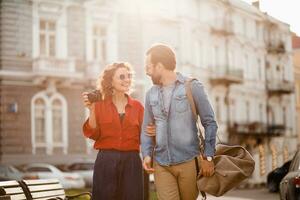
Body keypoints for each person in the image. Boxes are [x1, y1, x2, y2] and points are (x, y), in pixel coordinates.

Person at [141, 44, 218, 200]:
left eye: (149, 67)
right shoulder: (151, 94)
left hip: (189, 161)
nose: (146, 71)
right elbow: (146, 129)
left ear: (160, 66)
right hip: (161, 163)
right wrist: (147, 154)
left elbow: (210, 122)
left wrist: (208, 157)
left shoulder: (192, 87)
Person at [82, 62, 144, 200]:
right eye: (122, 77)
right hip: (106, 160)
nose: (127, 80)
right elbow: (93, 133)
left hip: (132, 161)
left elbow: (145, 136)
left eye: (129, 76)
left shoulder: (138, 107)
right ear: (110, 81)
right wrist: (92, 110)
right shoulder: (100, 105)